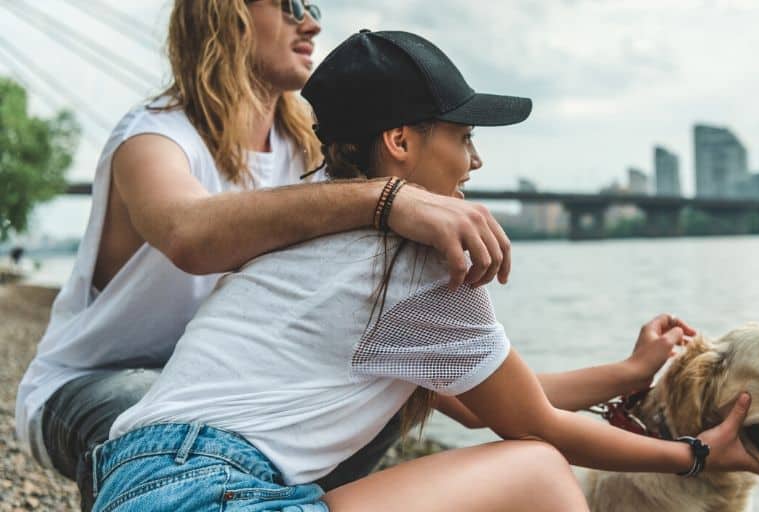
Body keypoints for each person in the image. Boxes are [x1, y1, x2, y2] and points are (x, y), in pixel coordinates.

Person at [89, 29, 759, 512]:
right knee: (536, 468)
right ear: (401, 142)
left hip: (135, 482)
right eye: (465, 137)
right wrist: (698, 454)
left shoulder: (307, 231)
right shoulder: (412, 263)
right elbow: (535, 429)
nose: (476, 163)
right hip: (215, 494)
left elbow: (478, 405)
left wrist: (626, 373)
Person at [14, 1, 514, 506]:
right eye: (290, 5)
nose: (312, 22)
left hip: (236, 398)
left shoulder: (307, 156)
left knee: (385, 393)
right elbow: (188, 236)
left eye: (313, 7)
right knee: (156, 415)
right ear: (223, 14)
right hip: (97, 382)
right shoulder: (154, 139)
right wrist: (388, 198)